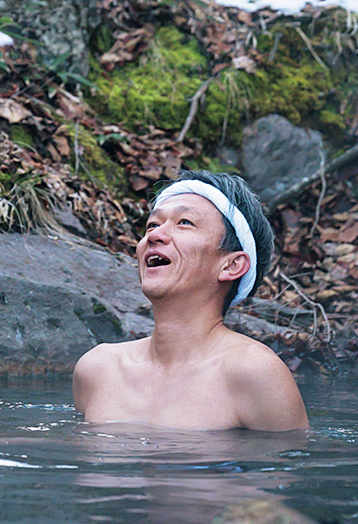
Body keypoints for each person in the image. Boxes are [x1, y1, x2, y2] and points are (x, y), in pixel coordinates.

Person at [72, 171, 309, 431]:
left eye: (184, 222)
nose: (154, 236)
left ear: (231, 265)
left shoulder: (253, 372)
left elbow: (285, 464)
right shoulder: (98, 369)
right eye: (152, 224)